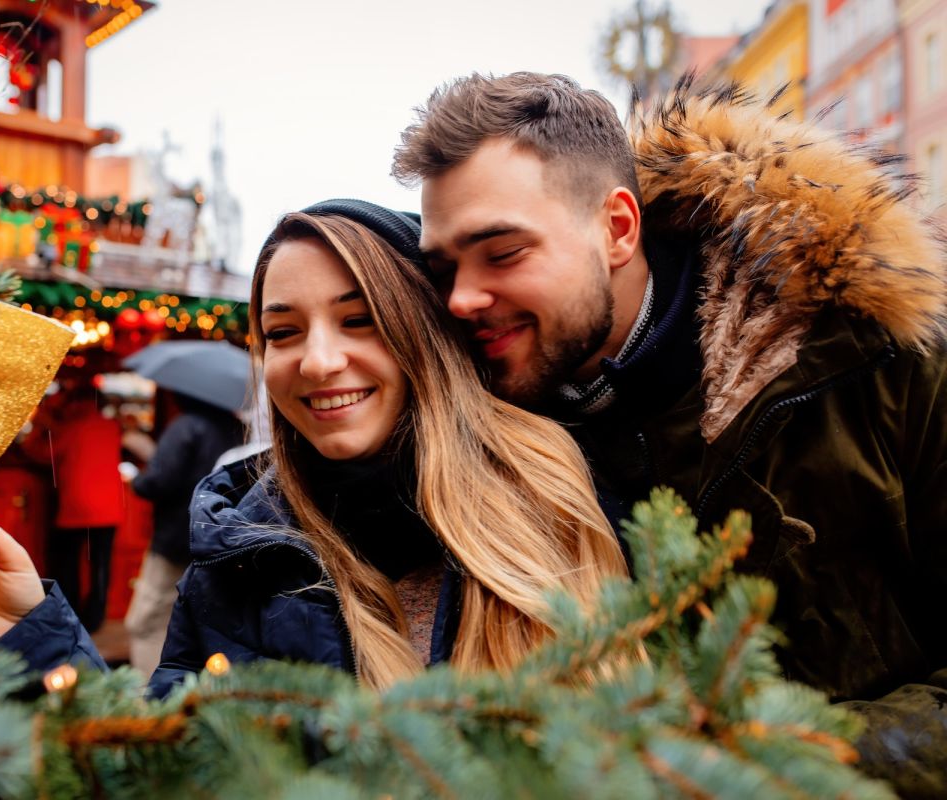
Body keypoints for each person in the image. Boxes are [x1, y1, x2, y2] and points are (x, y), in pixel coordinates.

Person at [391, 72, 947, 795]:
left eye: (502, 253)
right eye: (444, 268)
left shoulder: (871, 362)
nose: (462, 298)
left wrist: (776, 773)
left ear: (617, 228)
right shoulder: (486, 435)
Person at [0, 199, 627, 696]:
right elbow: (165, 770)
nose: (318, 361)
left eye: (358, 321)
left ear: (426, 335)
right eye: (283, 331)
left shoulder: (562, 500)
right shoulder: (233, 563)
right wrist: (37, 640)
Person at [124, 388, 244, 675]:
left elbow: (156, 482)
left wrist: (135, 476)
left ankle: (150, 699)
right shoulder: (236, 428)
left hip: (175, 540)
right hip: (218, 541)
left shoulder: (186, 426)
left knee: (147, 622)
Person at [20, 384, 126, 632]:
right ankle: (96, 618)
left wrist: (40, 426)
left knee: (68, 566)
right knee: (101, 566)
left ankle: (70, 614)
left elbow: (41, 455)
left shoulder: (72, 427)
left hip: (76, 511)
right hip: (109, 510)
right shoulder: (110, 426)